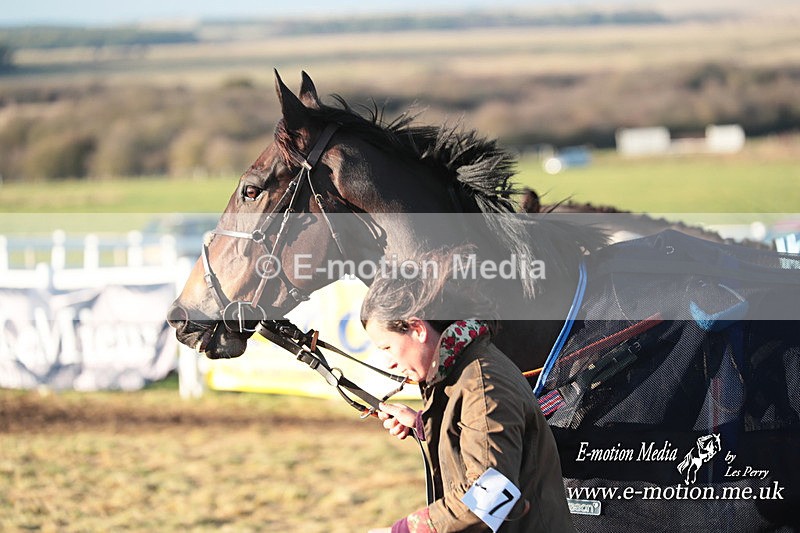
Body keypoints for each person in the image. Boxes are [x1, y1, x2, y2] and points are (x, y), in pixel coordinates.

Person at [362, 248, 575, 533]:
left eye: (387, 347)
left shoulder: (482, 385)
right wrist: (422, 425)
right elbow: (478, 441)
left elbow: (492, 496)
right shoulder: (460, 371)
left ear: (418, 328)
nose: (388, 361)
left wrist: (403, 530)